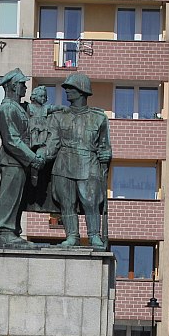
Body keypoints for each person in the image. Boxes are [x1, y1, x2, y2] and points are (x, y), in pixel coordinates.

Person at [46, 72, 112, 250]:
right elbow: (52, 144)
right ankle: (72, 236)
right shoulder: (58, 116)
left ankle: (94, 236)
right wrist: (38, 158)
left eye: (71, 88)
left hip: (88, 163)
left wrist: (107, 155)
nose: (67, 91)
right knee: (66, 203)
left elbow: (104, 145)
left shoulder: (99, 118)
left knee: (91, 201)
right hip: (63, 164)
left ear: (82, 91)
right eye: (66, 88)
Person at [0, 67, 43, 249]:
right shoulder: (7, 109)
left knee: (18, 198)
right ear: (13, 86)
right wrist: (32, 157)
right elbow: (11, 140)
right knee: (10, 195)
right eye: (22, 84)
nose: (25, 88)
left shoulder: (18, 108)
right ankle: (6, 231)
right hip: (12, 160)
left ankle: (12, 230)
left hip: (19, 162)